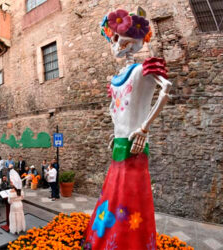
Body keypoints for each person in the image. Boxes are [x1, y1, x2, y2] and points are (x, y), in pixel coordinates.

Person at [82, 8, 172, 249]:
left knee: (131, 196)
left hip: (134, 144)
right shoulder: (117, 78)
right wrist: (115, 134)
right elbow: (116, 110)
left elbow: (166, 89)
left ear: (134, 40)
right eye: (112, 39)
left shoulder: (141, 70)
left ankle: (129, 243)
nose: (115, 44)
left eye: (118, 38)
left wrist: (144, 129)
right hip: (120, 144)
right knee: (114, 193)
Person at [8, 168, 26, 234]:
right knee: (20, 216)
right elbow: (22, 198)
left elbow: (9, 201)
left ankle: (15, 229)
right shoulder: (21, 190)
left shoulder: (12, 192)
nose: (10, 182)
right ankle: (20, 228)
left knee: (14, 217)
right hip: (20, 204)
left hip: (14, 205)